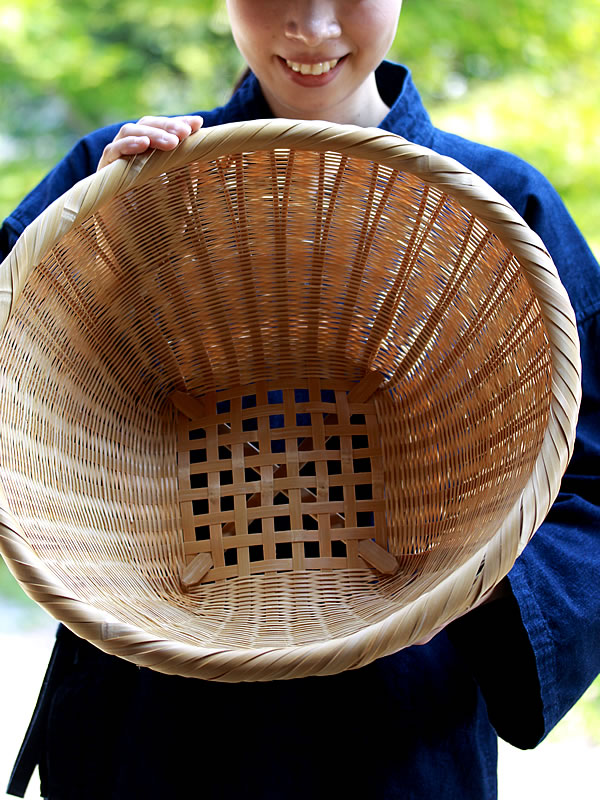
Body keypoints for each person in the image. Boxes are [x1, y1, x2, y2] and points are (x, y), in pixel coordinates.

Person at [2, 2, 599, 798]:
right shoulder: (115, 174)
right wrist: (98, 243)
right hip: (149, 720)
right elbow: (23, 382)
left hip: (395, 732)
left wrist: (483, 567)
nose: (311, 27)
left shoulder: (505, 204)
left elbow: (589, 483)